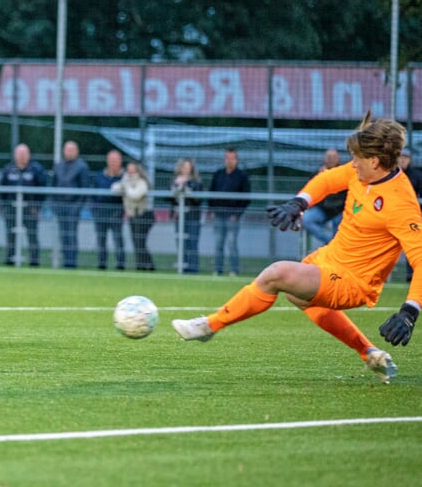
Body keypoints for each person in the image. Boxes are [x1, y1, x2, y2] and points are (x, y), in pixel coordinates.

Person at [173, 112, 421, 385]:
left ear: (375, 161)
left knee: (276, 274)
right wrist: (299, 203)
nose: (352, 164)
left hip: (353, 282)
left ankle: (210, 325)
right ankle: (369, 352)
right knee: (298, 296)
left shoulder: (401, 204)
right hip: (328, 259)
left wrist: (410, 311)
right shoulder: (360, 173)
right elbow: (327, 181)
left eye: (357, 159)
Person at [0, 143, 46, 267]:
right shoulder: (8, 169)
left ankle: (34, 260)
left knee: (32, 234)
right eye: (19, 153)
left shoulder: (36, 170)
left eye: (24, 153)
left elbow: (42, 189)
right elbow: (2, 189)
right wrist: (5, 206)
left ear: (29, 155)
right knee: (10, 234)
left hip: (30, 208)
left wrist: (37, 206)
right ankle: (10, 259)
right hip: (11, 207)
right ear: (15, 155)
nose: (21, 156)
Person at [207, 148, 251, 276]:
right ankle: (218, 269)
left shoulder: (242, 176)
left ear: (236, 160)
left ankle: (234, 270)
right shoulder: (218, 174)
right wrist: (212, 210)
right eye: (227, 158)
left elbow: (246, 197)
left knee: (232, 244)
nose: (229, 161)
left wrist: (237, 214)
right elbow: (212, 192)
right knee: (218, 243)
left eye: (232, 158)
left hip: (233, 216)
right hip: (219, 214)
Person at [51, 140, 89, 269]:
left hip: (73, 207)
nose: (69, 152)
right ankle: (65, 261)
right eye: (67, 149)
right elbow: (53, 185)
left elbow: (84, 189)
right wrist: (54, 205)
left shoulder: (82, 167)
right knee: (63, 235)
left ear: (77, 151)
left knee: (71, 235)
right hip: (60, 206)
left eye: (72, 150)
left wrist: (77, 207)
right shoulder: (58, 165)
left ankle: (71, 262)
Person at [114, 161, 154, 271]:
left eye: (132, 169)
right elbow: (116, 187)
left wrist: (125, 186)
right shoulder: (126, 180)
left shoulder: (142, 182)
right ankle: (142, 265)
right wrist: (123, 185)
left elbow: (135, 194)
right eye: (128, 169)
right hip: (133, 215)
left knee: (140, 241)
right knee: (136, 241)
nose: (130, 172)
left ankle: (146, 265)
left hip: (143, 215)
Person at [302, 148, 346, 248]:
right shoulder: (317, 174)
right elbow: (310, 190)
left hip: (339, 210)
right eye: (328, 157)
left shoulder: (343, 174)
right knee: (306, 219)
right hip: (322, 209)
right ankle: (329, 243)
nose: (331, 159)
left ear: (338, 158)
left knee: (340, 222)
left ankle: (336, 247)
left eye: (333, 157)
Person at [92, 149, 125, 270]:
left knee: (118, 239)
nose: (113, 162)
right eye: (111, 160)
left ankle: (120, 264)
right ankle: (102, 264)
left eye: (116, 160)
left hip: (116, 212)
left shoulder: (124, 177)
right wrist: (94, 209)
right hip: (100, 212)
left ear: (120, 161)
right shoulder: (100, 175)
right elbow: (94, 194)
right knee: (101, 240)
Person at [171, 157, 203, 274]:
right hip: (179, 217)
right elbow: (168, 198)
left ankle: (193, 269)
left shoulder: (196, 183)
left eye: (188, 168)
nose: (186, 170)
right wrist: (176, 187)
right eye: (184, 167)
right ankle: (182, 268)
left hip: (193, 217)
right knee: (181, 244)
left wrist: (188, 187)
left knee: (192, 243)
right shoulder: (175, 180)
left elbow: (198, 199)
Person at [397, 149, 422, 281]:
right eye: (400, 157)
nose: (403, 160)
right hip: (392, 216)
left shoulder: (416, 175)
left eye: (405, 158)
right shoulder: (390, 174)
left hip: (411, 216)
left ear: (410, 159)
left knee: (411, 245)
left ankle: (411, 274)